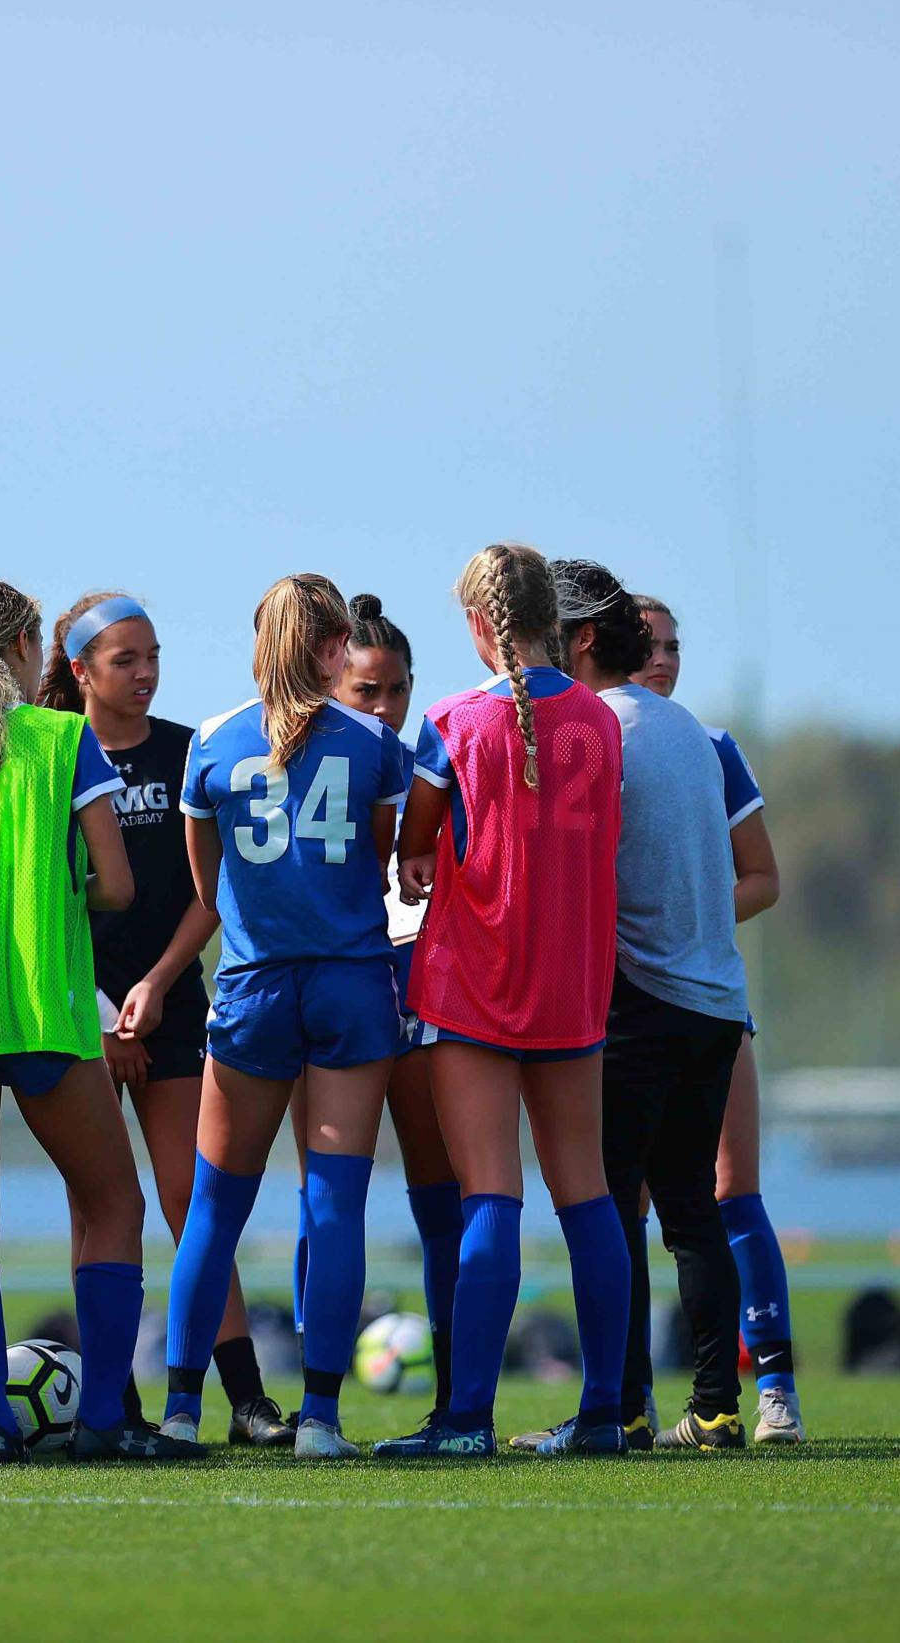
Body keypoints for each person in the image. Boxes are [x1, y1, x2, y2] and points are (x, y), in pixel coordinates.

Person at [0, 577, 198, 1463]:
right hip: (39, 1002)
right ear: (27, 651)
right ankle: (101, 1418)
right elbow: (120, 884)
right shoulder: (63, 740)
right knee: (114, 1201)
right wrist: (56, 898)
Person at [377, 546, 632, 1460]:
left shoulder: (451, 719)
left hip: (475, 983)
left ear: (481, 625)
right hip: (574, 981)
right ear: (552, 620)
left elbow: (412, 844)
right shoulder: (601, 723)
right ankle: (604, 1412)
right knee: (588, 1194)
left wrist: (416, 854)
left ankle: (465, 1422)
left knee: (491, 1195)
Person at [160, 575, 411, 1459]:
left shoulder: (210, 741)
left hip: (255, 985)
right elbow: (376, 859)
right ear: (336, 641)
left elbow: (206, 884)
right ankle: (322, 1421)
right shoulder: (377, 743)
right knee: (335, 1203)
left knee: (214, 1208)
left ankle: (183, 1412)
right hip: (349, 982)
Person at [41, 590, 292, 1446]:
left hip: (173, 997)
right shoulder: (46, 756)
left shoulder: (188, 750)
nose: (146, 674)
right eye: (125, 660)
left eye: (153, 657)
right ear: (80, 671)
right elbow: (39, 900)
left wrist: (152, 986)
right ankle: (115, 1403)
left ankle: (248, 1400)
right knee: (96, 1204)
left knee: (193, 1199)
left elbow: (210, 887)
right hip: (76, 1006)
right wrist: (107, 1010)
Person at [553, 558, 749, 1451]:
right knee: (690, 1207)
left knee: (610, 1202)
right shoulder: (690, 733)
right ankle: (714, 1407)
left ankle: (622, 1405)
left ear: (583, 639)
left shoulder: (598, 728)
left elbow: (580, 871)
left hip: (643, 998)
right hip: (714, 999)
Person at [633, 595, 802, 1442]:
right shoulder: (595, 738)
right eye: (647, 645)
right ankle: (629, 1401)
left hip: (706, 1001)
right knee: (618, 1203)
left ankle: (774, 1390)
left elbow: (763, 876)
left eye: (673, 645)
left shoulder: (711, 747)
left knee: (730, 1192)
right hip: (625, 1010)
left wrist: (689, 918)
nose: (663, 658)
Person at [328, 595, 465, 1425]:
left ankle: (457, 1393)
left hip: (415, 975)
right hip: (333, 979)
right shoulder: (302, 760)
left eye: (396, 690)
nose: (384, 709)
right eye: (365, 692)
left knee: (435, 1187)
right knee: (328, 1193)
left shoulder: (431, 768)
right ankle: (313, 1406)